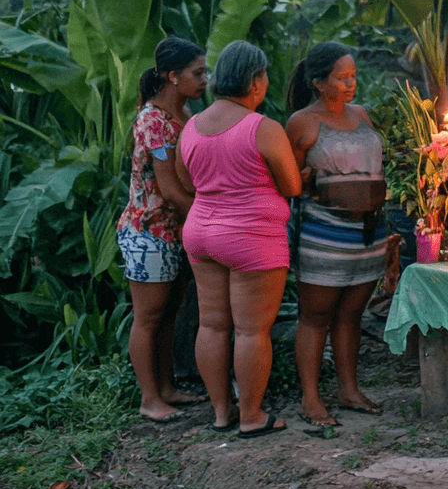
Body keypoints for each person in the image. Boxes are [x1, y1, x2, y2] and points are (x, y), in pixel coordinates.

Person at [176, 41, 301, 437]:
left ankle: (220, 413)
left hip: (201, 232)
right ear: (255, 81)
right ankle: (251, 416)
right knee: (251, 330)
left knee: (211, 325)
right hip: (251, 235)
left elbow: (186, 182)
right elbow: (292, 185)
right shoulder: (263, 128)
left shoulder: (192, 127)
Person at [285, 42, 389, 426]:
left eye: (353, 76)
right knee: (315, 317)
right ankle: (310, 399)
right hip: (323, 234)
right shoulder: (302, 122)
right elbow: (289, 180)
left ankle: (348, 390)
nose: (350, 84)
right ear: (318, 82)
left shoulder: (363, 115)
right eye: (341, 78)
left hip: (368, 234)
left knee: (351, 315)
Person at [116, 36, 208, 422]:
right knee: (148, 317)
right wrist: (213, 216)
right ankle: (149, 398)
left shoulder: (185, 116)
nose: (205, 79)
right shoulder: (153, 121)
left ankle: (167, 388)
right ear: (173, 77)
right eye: (197, 73)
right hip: (149, 233)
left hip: (175, 230)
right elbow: (169, 190)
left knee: (169, 313)